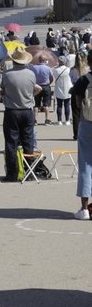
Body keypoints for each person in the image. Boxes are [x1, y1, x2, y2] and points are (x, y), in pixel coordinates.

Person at [1, 49, 43, 181]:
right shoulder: (31, 74)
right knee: (28, 140)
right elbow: (33, 89)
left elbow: (4, 89)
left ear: (13, 60)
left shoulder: (7, 74)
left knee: (11, 142)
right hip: (27, 110)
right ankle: (29, 170)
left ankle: (12, 173)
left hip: (12, 110)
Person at [70, 68, 92, 219]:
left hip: (87, 122)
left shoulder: (84, 80)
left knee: (85, 163)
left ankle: (84, 208)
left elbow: (77, 102)